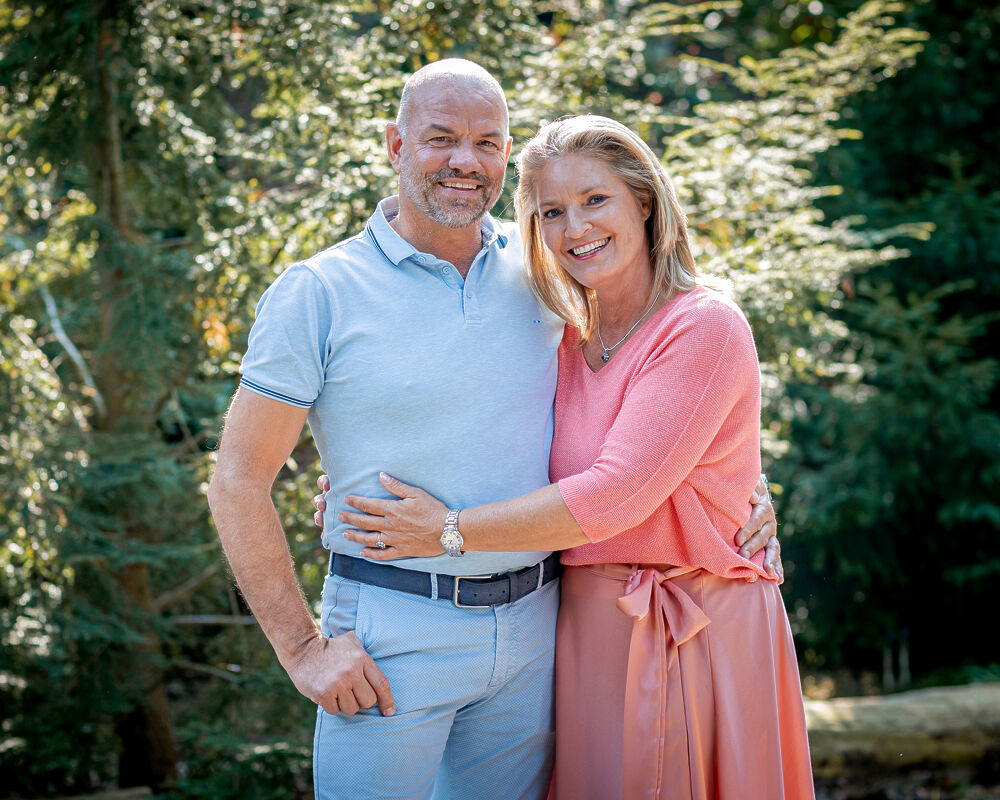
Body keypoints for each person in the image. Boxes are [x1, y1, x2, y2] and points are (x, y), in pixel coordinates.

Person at [207, 59, 779, 800]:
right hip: (393, 627)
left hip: (543, 631)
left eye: (486, 141)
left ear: (506, 155)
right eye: (440, 138)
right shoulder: (320, 291)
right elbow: (237, 478)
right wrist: (301, 648)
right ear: (394, 145)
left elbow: (653, 408)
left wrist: (739, 494)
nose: (463, 161)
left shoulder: (547, 277)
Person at [337, 114, 815, 798]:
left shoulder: (702, 324)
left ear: (643, 203)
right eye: (552, 211)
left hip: (693, 625)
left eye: (596, 201)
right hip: (584, 629)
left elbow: (618, 491)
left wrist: (447, 531)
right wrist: (365, 477)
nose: (576, 228)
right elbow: (477, 427)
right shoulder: (562, 338)